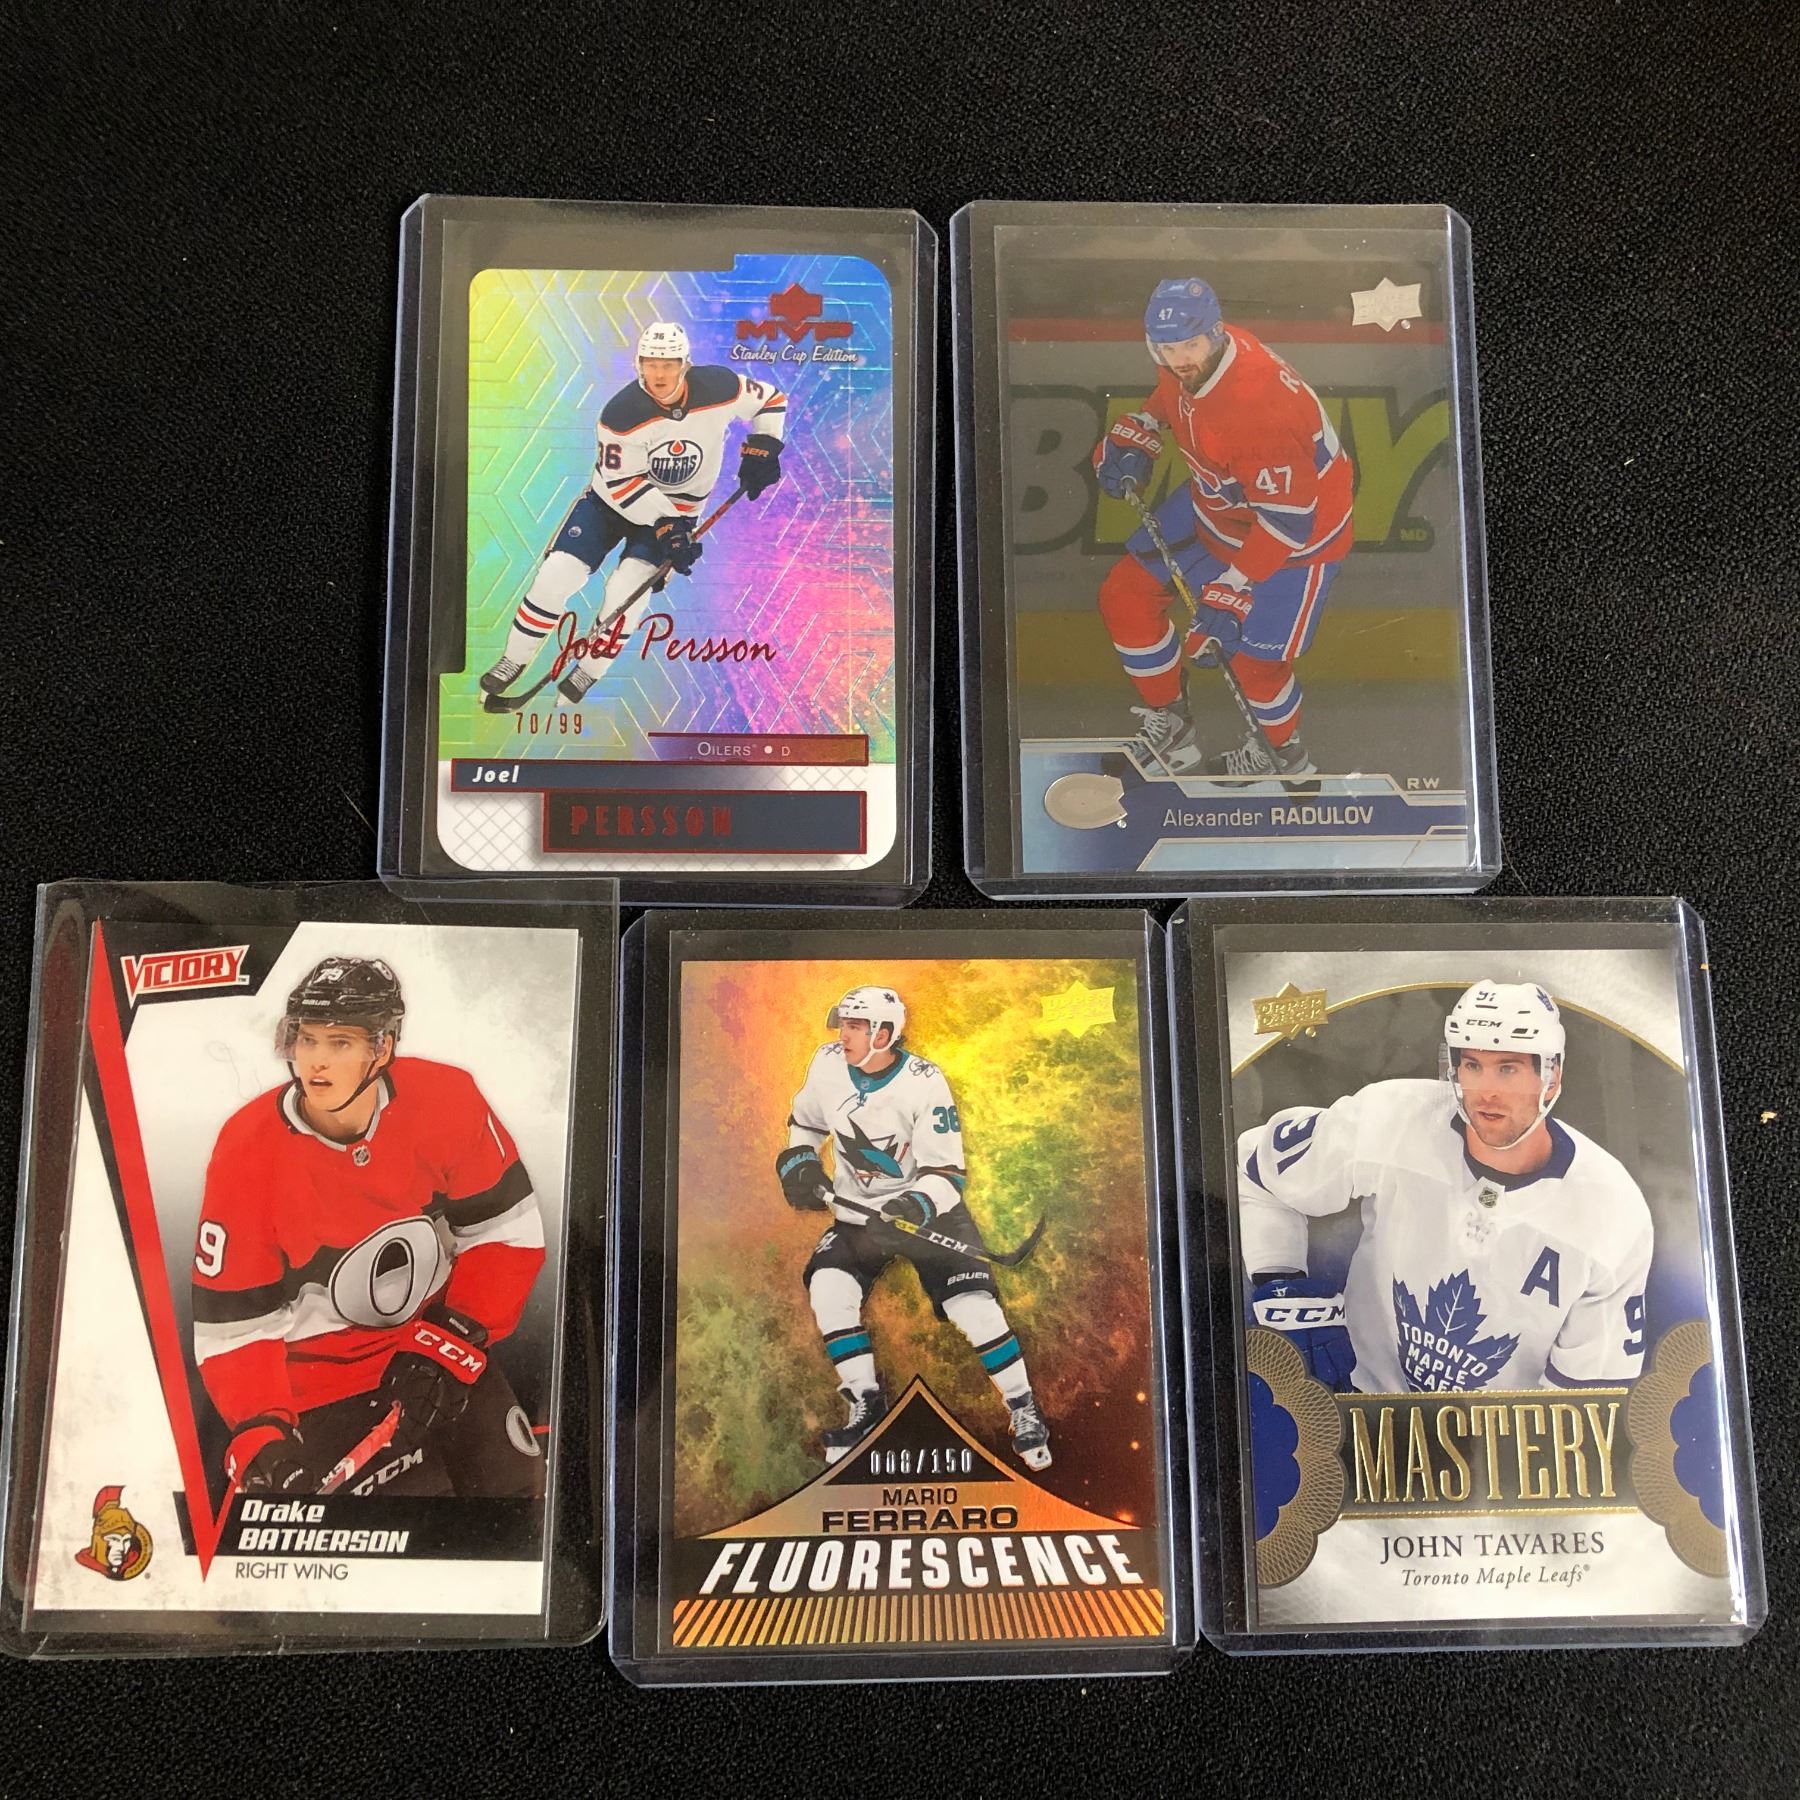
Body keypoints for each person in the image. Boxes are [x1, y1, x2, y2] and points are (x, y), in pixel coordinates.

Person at [191, 956, 547, 1497]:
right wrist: (263, 1430)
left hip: (436, 1353)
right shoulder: (247, 1150)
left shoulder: (447, 1099)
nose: (316, 1061)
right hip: (322, 1394)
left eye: (339, 1043)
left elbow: (505, 1235)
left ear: (382, 1048)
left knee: (522, 1502)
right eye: (307, 1040)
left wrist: (451, 1338)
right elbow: (235, 1327)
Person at [1238, 981, 1653, 1393]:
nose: (1487, 1092)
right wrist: (1277, 1279)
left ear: (1551, 1075)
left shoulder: (1613, 1213)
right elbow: (1254, 1169)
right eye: (1473, 1065)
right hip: (1355, 1409)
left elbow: (1589, 1404)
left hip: (1507, 1433)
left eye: (1507, 1069)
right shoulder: (1390, 1119)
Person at [776, 985, 1052, 1469]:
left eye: (855, 1027)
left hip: (928, 1211)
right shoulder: (826, 1063)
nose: (843, 1035)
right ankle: (866, 1403)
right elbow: (806, 1123)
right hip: (860, 1215)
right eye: (843, 1025)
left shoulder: (925, 1083)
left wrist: (911, 1206)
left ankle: (1023, 1406)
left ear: (884, 1034)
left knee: (974, 1309)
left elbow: (947, 1175)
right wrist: (799, 1159)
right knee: (828, 1288)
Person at [1091, 278, 1354, 779]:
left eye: (1189, 345)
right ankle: (1173, 729)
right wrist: (1146, 423)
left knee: (1254, 665)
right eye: (1166, 348)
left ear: (1214, 334)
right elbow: (1175, 392)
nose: (1178, 359)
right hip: (1218, 503)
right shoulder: (1191, 356)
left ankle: (1281, 755)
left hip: (1296, 543)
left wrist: (1234, 585)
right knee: (1125, 596)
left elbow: (1288, 520)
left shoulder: (1261, 412)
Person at [480, 320, 788, 705]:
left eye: (669, 364)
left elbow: (771, 400)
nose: (659, 374)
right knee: (556, 574)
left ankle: (589, 670)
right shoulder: (622, 413)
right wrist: (668, 527)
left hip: (678, 512)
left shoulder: (719, 387)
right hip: (609, 505)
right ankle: (514, 659)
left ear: (685, 364)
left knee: (626, 593)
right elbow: (623, 484)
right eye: (650, 364)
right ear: (638, 364)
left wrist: (764, 445)